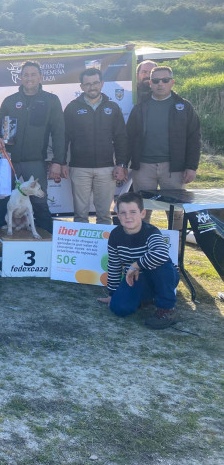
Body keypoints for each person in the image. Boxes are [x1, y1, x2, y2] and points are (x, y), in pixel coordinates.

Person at [0, 61, 66, 234]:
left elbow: (59, 132)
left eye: (33, 74)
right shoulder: (10, 101)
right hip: (10, 162)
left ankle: (49, 246)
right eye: (25, 75)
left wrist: (58, 161)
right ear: (20, 77)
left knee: (39, 204)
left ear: (40, 77)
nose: (29, 78)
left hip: (36, 162)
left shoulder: (51, 100)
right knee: (1, 202)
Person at [126, 66, 201, 228]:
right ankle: (142, 245)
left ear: (172, 82)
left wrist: (191, 166)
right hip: (144, 167)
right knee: (142, 210)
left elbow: (194, 138)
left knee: (176, 213)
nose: (160, 84)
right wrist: (124, 164)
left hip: (174, 168)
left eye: (165, 80)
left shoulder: (183, 106)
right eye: (156, 80)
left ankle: (177, 250)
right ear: (150, 83)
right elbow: (129, 137)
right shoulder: (140, 107)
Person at [99, 192, 180, 329]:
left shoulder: (151, 232)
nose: (128, 216)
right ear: (118, 215)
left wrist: (135, 265)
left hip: (161, 275)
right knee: (118, 308)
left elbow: (160, 254)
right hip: (137, 279)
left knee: (161, 264)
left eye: (132, 212)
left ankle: (167, 309)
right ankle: (147, 298)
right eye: (123, 213)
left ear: (142, 213)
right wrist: (112, 293)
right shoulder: (115, 235)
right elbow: (114, 265)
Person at [63, 68, 129, 225]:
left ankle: (104, 250)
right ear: (81, 87)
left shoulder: (112, 107)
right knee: (80, 216)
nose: (92, 87)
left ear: (102, 83)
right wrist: (61, 162)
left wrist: (121, 164)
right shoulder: (72, 108)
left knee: (104, 216)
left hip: (106, 168)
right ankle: (82, 249)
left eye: (95, 83)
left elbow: (121, 138)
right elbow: (64, 138)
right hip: (79, 168)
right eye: (87, 84)